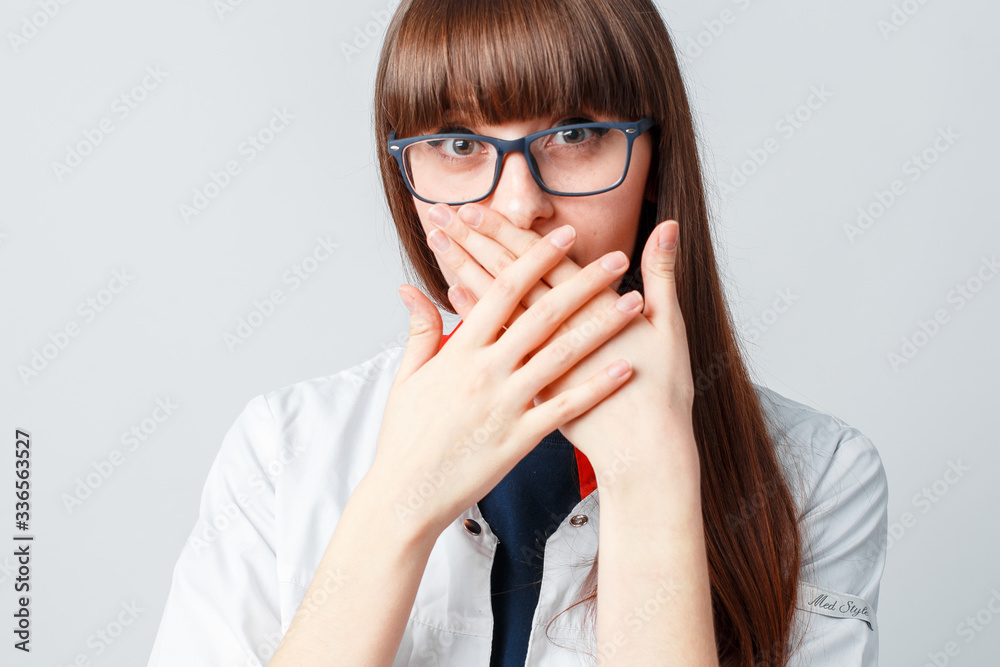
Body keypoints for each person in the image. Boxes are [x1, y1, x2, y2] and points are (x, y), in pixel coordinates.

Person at [146, 0, 889, 665]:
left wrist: (652, 475)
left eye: (574, 133)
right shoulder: (282, 448)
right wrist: (401, 500)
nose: (520, 205)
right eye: (459, 145)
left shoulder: (818, 477)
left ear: (654, 163)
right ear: (405, 177)